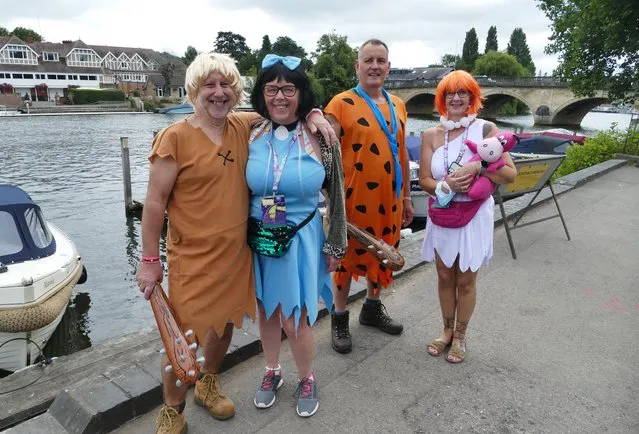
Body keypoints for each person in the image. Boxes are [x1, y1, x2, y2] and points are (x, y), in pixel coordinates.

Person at [135, 52, 337, 434]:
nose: (218, 93)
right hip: (192, 257)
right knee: (183, 337)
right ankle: (172, 410)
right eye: (209, 85)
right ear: (194, 89)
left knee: (226, 325)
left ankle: (209, 383)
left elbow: (288, 107)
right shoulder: (174, 137)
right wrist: (149, 259)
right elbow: (155, 203)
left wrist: (315, 113)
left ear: (237, 92)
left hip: (241, 251)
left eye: (226, 85)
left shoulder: (245, 126)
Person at [246, 54, 347, 418]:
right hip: (260, 238)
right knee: (267, 309)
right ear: (262, 94)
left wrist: (336, 243)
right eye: (272, 89)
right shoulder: (251, 130)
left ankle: (307, 377)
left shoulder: (320, 135)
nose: (280, 97)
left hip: (301, 239)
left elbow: (336, 194)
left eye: (289, 89)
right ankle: (272, 371)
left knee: (296, 316)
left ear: (302, 94)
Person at [418, 70, 517, 363]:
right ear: (442, 98)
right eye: (451, 93)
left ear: (473, 98)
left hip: (473, 216)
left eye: (463, 93)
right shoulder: (430, 135)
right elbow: (424, 179)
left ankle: (461, 336)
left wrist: (479, 169)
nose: (457, 98)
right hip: (443, 213)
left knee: (466, 280)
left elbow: (510, 174)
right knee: (445, 275)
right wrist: (444, 185)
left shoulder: (486, 129)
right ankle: (446, 331)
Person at [323, 39, 414, 354]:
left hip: (388, 200)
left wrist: (407, 198)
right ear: (357, 66)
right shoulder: (340, 104)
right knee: (345, 261)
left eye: (381, 60)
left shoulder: (398, 104)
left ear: (388, 66)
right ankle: (339, 318)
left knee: (383, 253)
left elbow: (402, 154)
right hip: (352, 200)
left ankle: (372, 310)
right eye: (368, 60)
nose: (375, 66)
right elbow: (322, 152)